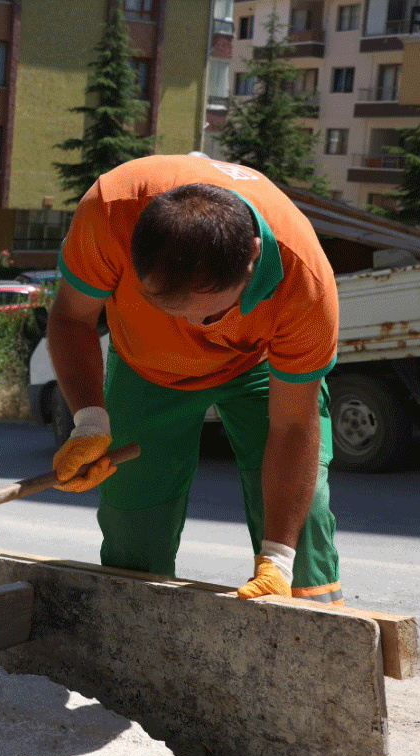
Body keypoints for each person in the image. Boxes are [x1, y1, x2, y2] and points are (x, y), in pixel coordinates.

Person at [46, 154, 342, 604]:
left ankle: (319, 644)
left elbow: (293, 426)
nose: (191, 327)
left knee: (302, 531)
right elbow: (72, 320)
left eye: (209, 310)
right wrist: (89, 422)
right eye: (167, 308)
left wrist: (278, 558)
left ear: (252, 259)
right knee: (134, 531)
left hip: (257, 365)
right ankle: (131, 645)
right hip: (145, 367)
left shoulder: (304, 282)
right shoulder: (110, 210)